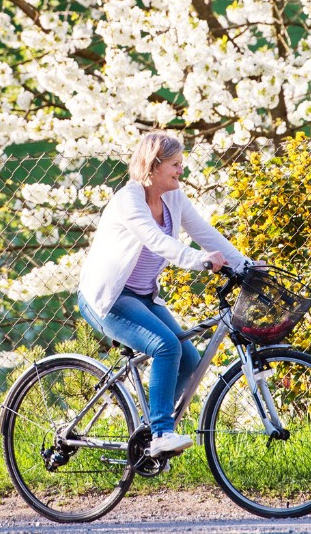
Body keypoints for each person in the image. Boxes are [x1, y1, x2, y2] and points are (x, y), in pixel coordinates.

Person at [76, 132, 252, 458]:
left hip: (143, 296)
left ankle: (149, 434)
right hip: (109, 298)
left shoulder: (174, 198)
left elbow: (205, 233)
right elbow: (157, 241)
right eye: (175, 164)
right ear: (153, 165)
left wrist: (247, 266)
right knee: (166, 346)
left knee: (189, 359)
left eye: (181, 164)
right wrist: (200, 260)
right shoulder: (129, 201)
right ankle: (160, 433)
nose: (181, 170)